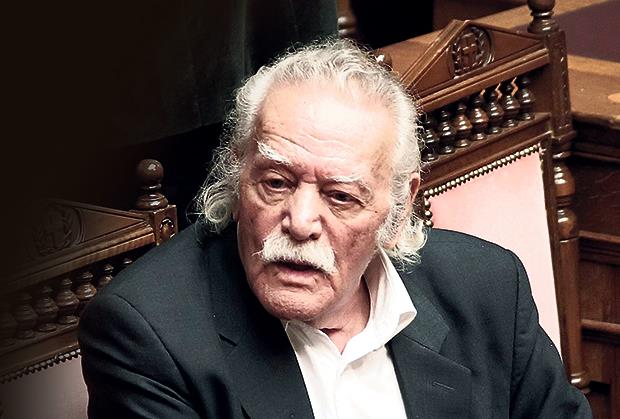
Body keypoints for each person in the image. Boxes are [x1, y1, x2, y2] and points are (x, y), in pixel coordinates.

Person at [78, 39, 592, 418]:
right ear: (238, 173)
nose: (300, 222)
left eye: (340, 196)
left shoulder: (488, 288)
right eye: (275, 182)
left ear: (399, 207)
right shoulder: (148, 335)